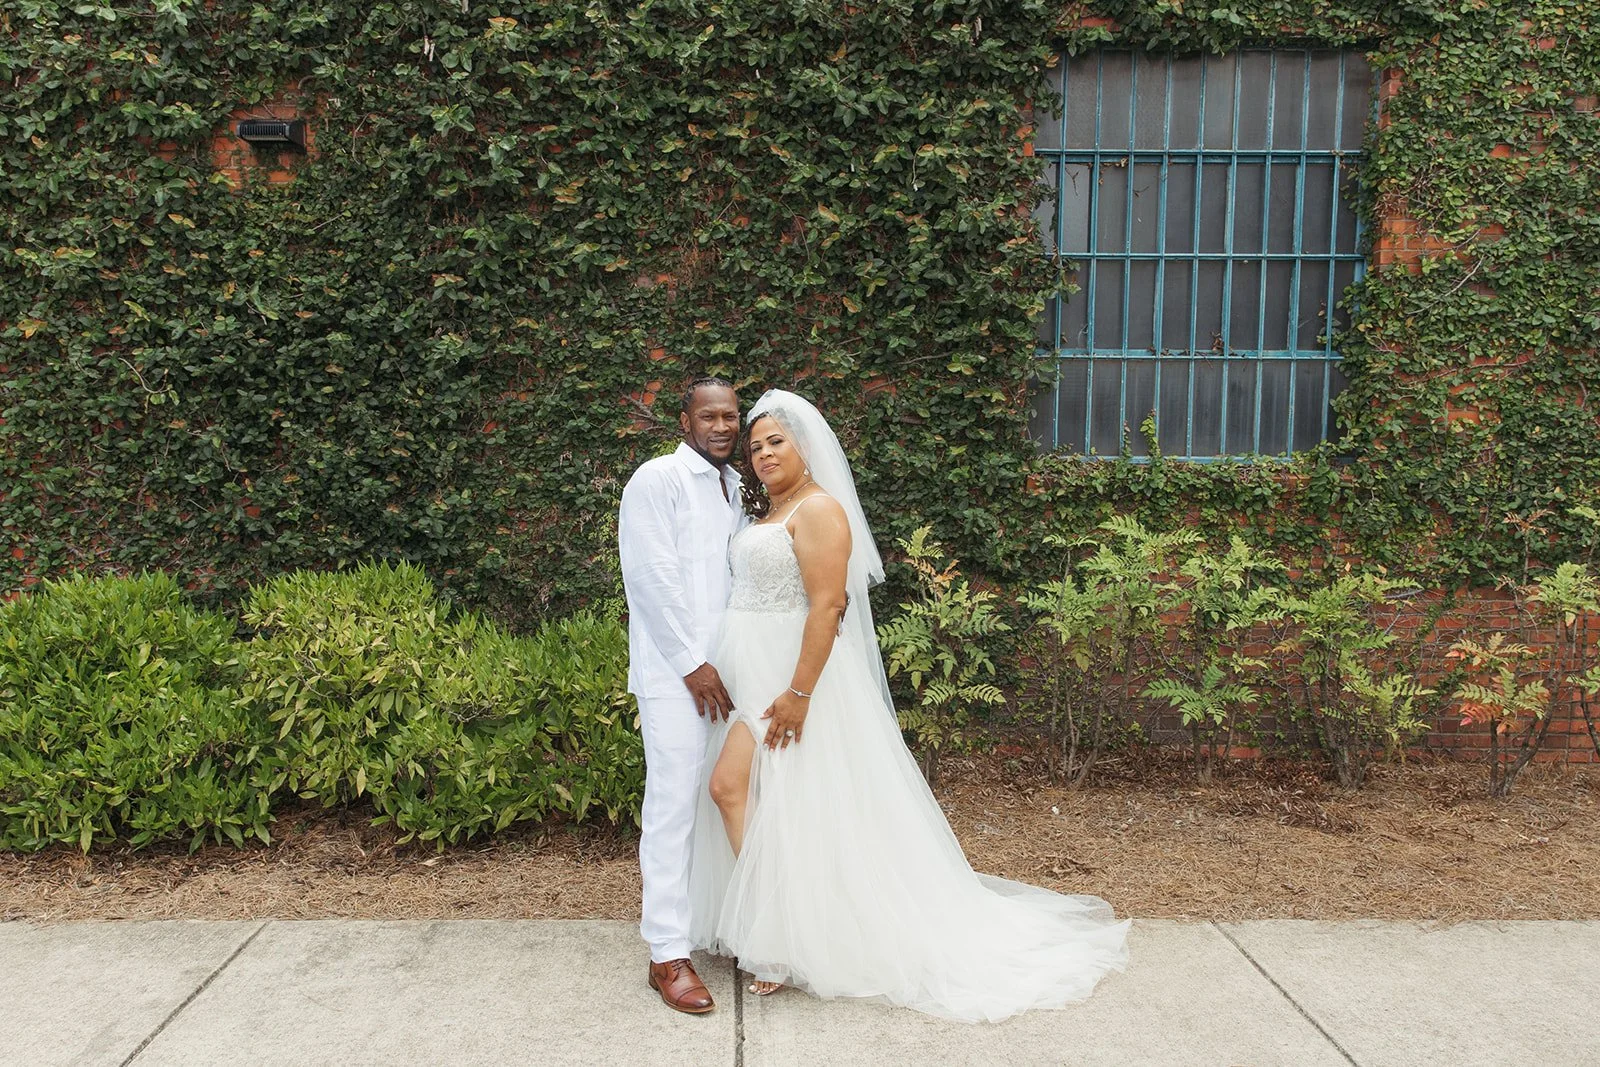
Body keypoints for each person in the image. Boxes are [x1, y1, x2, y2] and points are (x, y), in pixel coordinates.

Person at [686, 389, 1129, 1022]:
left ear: (806, 446)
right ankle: (784, 926)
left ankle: (780, 939)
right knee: (761, 800)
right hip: (749, 674)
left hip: (789, 681)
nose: (761, 454)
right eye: (755, 446)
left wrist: (799, 694)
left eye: (775, 441)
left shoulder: (818, 511)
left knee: (739, 790)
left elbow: (828, 606)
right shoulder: (768, 513)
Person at [617, 376, 746, 1014]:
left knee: (724, 794)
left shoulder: (732, 486)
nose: (722, 426)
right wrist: (694, 665)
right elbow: (651, 579)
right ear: (685, 420)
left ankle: (714, 925)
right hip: (679, 679)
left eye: (731, 417)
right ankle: (666, 953)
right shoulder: (656, 481)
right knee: (672, 804)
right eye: (710, 416)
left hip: (731, 674)